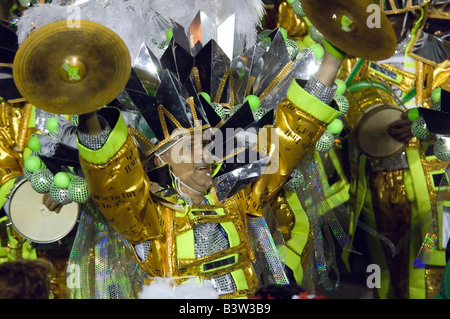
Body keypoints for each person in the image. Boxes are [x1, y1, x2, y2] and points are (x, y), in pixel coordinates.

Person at [341, 0, 450, 299]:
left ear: (411, 12)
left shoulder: (440, 49)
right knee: (385, 268)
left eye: (391, 16)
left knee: (431, 269)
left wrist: (425, 120)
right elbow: (340, 98)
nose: (383, 23)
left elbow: (446, 105)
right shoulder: (356, 50)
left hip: (432, 182)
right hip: (374, 179)